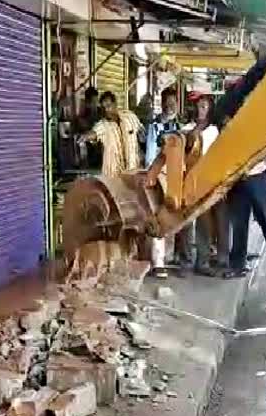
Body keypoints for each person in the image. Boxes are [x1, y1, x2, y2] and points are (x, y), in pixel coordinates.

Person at [226, 149, 266, 284]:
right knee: (239, 226)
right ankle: (237, 266)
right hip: (235, 179)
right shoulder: (230, 128)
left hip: (258, 177)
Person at [180, 93, 223, 276]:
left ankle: (203, 261)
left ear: (210, 109)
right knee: (185, 221)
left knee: (205, 222)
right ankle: (185, 260)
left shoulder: (213, 131)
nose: (200, 109)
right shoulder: (187, 128)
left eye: (204, 106)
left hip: (205, 179)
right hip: (187, 178)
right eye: (198, 106)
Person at [144, 87, 183, 278]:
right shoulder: (155, 125)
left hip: (178, 176)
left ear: (177, 102)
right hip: (159, 175)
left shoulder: (182, 126)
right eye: (167, 102)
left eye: (172, 101)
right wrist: (151, 176)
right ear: (163, 102)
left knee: (176, 216)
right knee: (158, 215)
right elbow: (151, 153)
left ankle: (173, 257)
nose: (170, 105)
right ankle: (158, 262)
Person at [79, 91, 144, 177]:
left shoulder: (130, 117)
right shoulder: (103, 125)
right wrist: (85, 137)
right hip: (113, 175)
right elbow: (94, 133)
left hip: (133, 171)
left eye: (108, 106)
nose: (106, 110)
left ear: (115, 104)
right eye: (103, 108)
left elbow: (141, 134)